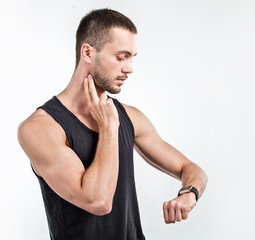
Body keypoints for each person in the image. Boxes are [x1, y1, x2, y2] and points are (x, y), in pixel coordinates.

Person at [18, 8, 208, 240]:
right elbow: (97, 201)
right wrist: (108, 129)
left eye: (131, 58)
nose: (128, 68)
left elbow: (191, 169)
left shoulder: (130, 116)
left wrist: (189, 193)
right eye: (121, 57)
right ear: (88, 52)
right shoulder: (40, 128)